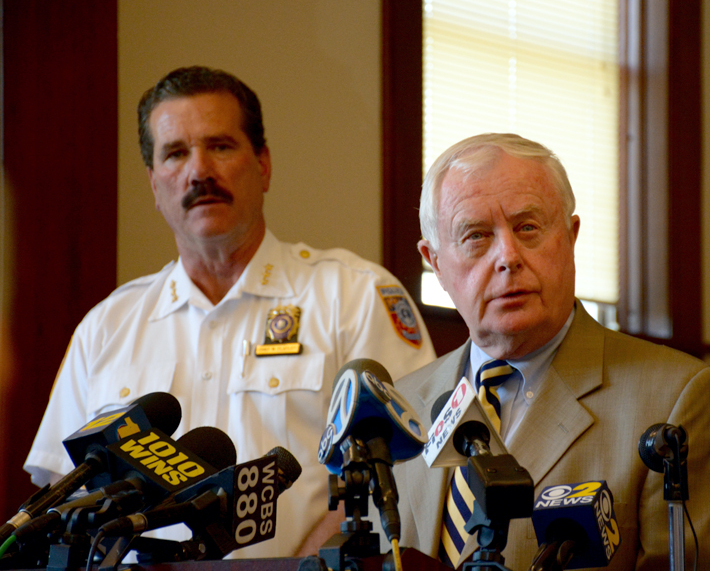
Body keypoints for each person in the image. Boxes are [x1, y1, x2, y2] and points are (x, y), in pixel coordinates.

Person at [24, 66, 436, 559]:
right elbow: (60, 489)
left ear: (262, 165)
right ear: (154, 185)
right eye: (175, 153)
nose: (199, 171)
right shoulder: (108, 325)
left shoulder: (354, 294)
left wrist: (300, 570)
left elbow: (409, 462)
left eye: (220, 146)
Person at [393, 133, 710, 570]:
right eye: (476, 236)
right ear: (434, 262)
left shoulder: (680, 401)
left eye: (527, 228)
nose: (508, 256)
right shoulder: (402, 408)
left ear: (570, 237)